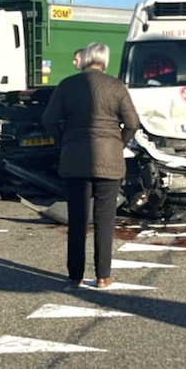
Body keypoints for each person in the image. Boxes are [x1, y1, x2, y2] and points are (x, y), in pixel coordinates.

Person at [42, 42, 141, 290]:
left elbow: (49, 119)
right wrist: (118, 143)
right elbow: (132, 122)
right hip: (110, 159)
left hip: (75, 158)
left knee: (77, 220)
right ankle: (103, 276)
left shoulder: (67, 85)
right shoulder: (116, 86)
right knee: (104, 220)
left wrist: (63, 140)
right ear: (105, 61)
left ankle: (75, 275)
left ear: (85, 59)